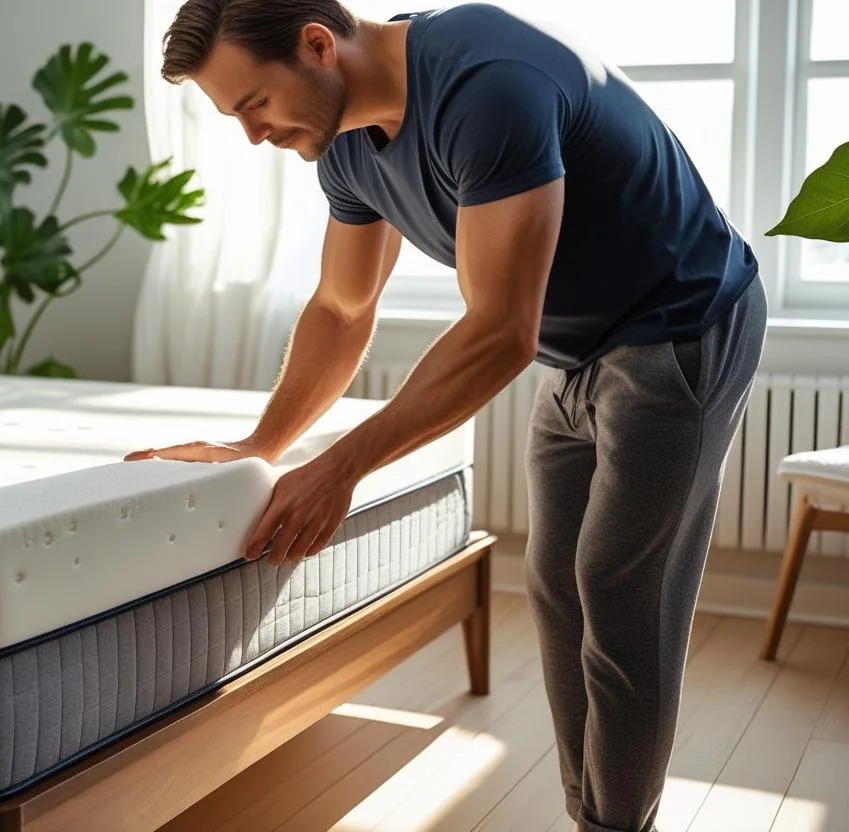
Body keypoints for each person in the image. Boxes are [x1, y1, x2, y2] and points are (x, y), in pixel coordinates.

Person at [122, 2, 767, 831]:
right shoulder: (345, 145)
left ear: (317, 45)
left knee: (616, 589)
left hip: (681, 326)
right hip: (575, 353)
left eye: (254, 105)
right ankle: (596, 818)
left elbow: (501, 330)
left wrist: (343, 467)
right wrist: (265, 445)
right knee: (557, 587)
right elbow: (343, 306)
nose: (253, 135)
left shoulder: (487, 87)